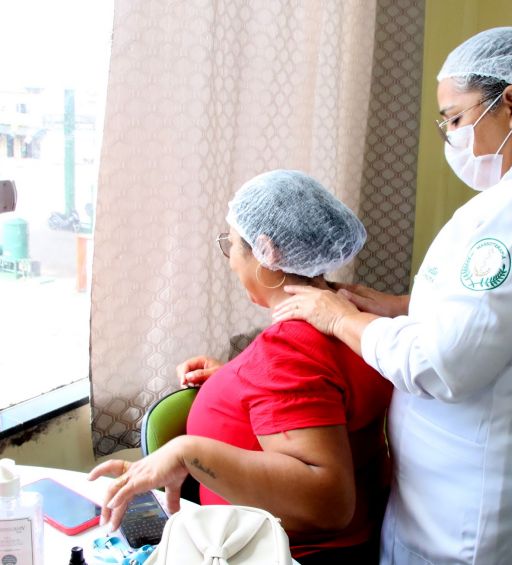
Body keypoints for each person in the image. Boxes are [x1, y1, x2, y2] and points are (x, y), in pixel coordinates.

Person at [271, 27, 512, 565]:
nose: (451, 139)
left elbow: (442, 364)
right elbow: (508, 318)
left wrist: (338, 317)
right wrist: (396, 307)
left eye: (456, 119)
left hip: (483, 504)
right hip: (458, 489)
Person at [89, 170, 394, 564]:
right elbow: (321, 396)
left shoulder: (288, 351)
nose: (231, 261)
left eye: (231, 244)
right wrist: (236, 381)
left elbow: (329, 504)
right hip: (359, 544)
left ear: (268, 252)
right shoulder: (351, 314)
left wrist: (186, 452)